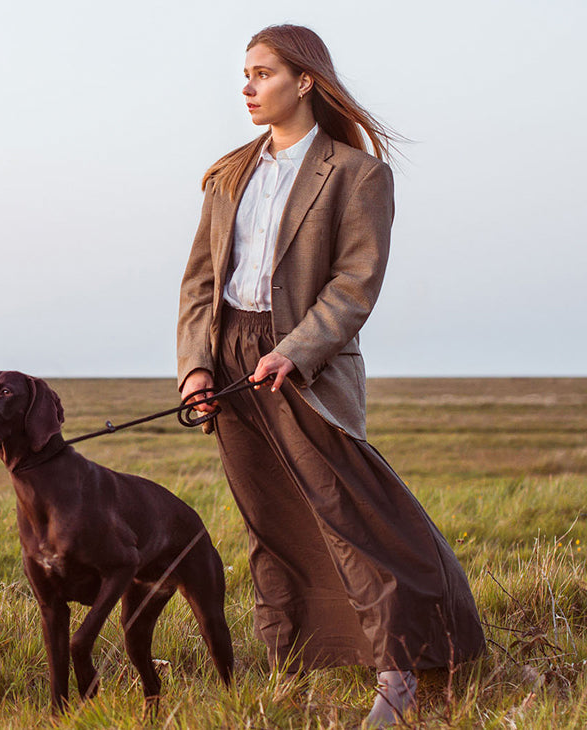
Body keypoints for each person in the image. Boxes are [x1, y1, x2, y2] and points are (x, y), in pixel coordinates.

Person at [174, 24, 485, 727]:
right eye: (244, 74)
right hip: (229, 357)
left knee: (349, 514)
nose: (247, 88)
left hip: (301, 364)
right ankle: (295, 665)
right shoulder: (227, 174)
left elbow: (354, 284)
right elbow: (199, 283)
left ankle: (401, 672)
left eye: (263, 74)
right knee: (269, 516)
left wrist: (298, 351)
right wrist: (195, 365)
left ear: (305, 81)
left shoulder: (358, 174)